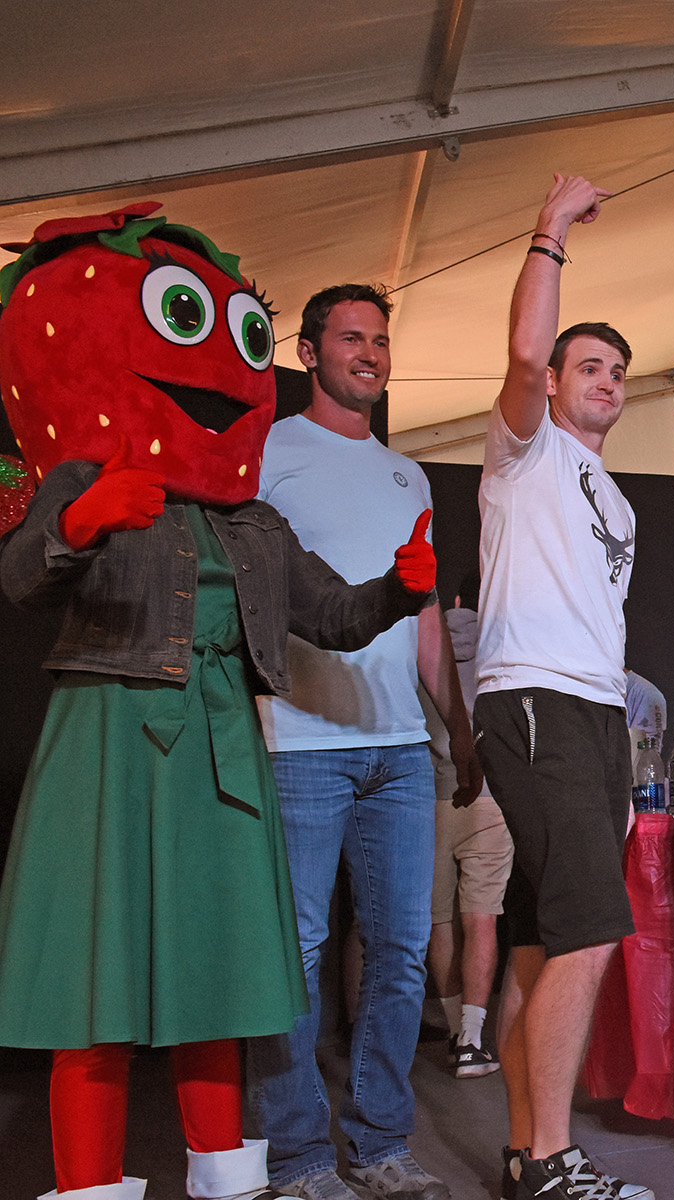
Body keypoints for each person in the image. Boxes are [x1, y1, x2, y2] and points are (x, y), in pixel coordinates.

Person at [0, 206, 435, 1200]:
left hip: (222, 744)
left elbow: (331, 614)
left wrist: (399, 591)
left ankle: (227, 1180)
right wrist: (76, 517)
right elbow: (22, 578)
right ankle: (92, 1182)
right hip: (109, 732)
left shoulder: (254, 522)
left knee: (218, 978)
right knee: (96, 985)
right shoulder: (91, 474)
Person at [243, 284, 474, 1200]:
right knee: (296, 954)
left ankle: (378, 1144)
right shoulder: (267, 452)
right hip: (299, 740)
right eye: (351, 338)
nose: (371, 353)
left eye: (381, 340)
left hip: (399, 749)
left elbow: (420, 619)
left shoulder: (408, 475)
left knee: (402, 952)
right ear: (309, 353)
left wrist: (458, 727)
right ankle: (297, 1158)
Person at [472, 174, 651, 1200]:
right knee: (590, 931)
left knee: (542, 940)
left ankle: (524, 1151)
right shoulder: (523, 447)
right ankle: (549, 1158)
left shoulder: (617, 500)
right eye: (591, 365)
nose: (608, 380)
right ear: (555, 380)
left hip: (593, 714)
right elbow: (525, 351)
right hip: (534, 699)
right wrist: (551, 231)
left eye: (619, 370)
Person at [423, 585, 513, 1080]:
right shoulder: (498, 643)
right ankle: (473, 1041)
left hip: (428, 799)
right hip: (487, 798)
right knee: (482, 919)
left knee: (441, 922)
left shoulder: (423, 644)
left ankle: (458, 1030)